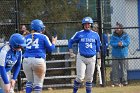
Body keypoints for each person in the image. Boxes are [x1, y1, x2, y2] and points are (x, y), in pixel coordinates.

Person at [22, 19, 57, 93]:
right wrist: (54, 42)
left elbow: (23, 47)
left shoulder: (26, 37)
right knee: (38, 84)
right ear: (40, 27)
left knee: (29, 82)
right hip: (38, 61)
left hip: (26, 60)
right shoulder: (43, 37)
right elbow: (50, 49)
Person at [68, 17, 101, 93]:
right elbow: (70, 42)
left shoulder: (96, 35)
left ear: (91, 25)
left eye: (88, 24)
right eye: (85, 24)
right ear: (83, 25)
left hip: (92, 58)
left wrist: (99, 59)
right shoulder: (79, 33)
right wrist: (71, 52)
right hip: (81, 58)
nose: (87, 25)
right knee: (80, 78)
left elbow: (98, 48)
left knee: (89, 79)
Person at [110, 22, 130, 87]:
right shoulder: (113, 35)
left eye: (118, 28)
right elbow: (112, 43)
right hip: (115, 54)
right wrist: (117, 44)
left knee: (124, 69)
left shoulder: (126, 35)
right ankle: (116, 82)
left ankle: (124, 81)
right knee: (115, 69)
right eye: (116, 28)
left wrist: (122, 43)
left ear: (121, 28)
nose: (117, 29)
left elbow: (127, 42)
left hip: (124, 54)